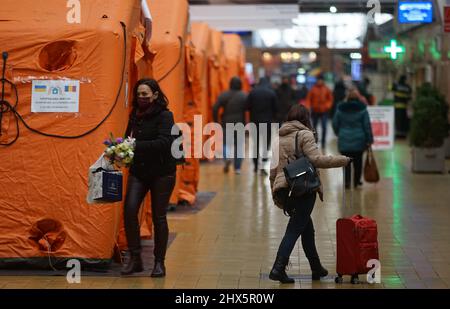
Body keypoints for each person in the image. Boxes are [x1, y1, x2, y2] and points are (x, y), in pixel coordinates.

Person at [269, 104, 350, 283]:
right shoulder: (305, 134)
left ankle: (316, 268)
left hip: (285, 191)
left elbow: (273, 170)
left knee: (307, 230)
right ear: (306, 118)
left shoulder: (278, 137)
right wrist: (342, 160)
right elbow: (316, 159)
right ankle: (278, 268)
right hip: (302, 189)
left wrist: (275, 192)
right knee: (294, 229)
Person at [121, 78, 177, 277]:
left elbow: (164, 142)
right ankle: (135, 258)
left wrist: (136, 146)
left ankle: (159, 263)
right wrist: (119, 149)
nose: (141, 98)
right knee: (129, 211)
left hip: (163, 172)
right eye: (139, 94)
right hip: (140, 171)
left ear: (155, 94)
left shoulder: (165, 116)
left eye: (145, 94)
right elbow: (128, 137)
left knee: (158, 217)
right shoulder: (135, 114)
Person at [333, 87, 374, 189]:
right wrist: (369, 139)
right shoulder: (363, 108)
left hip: (344, 140)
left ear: (347, 97)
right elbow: (367, 126)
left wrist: (339, 133)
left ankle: (347, 182)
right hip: (359, 140)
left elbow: (335, 123)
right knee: (358, 162)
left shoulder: (340, 108)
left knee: (345, 162)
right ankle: (356, 182)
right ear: (358, 98)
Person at [213, 77, 248, 174]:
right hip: (240, 123)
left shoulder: (224, 95)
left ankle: (227, 158)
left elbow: (215, 108)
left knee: (225, 143)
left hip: (226, 123)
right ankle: (237, 168)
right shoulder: (244, 96)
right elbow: (249, 108)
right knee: (239, 146)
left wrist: (216, 121)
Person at [246, 77, 278, 173]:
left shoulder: (253, 92)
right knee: (265, 144)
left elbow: (247, 106)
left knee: (255, 144)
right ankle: (263, 165)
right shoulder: (271, 93)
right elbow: (276, 108)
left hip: (255, 121)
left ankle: (255, 165)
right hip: (267, 122)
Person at [306, 75, 333, 148]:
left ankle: (323, 142)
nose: (319, 81)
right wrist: (308, 107)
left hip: (324, 111)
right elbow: (308, 99)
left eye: (321, 80)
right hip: (315, 111)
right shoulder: (313, 89)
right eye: (318, 80)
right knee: (314, 127)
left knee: (324, 126)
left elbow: (330, 99)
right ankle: (315, 141)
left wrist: (327, 106)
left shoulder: (326, 89)